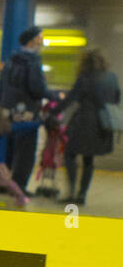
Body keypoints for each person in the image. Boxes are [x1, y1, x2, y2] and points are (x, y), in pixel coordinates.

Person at [48, 49, 120, 205]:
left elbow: (71, 98)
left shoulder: (85, 77)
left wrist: (53, 112)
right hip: (103, 124)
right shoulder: (112, 77)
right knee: (89, 159)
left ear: (85, 62)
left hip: (84, 122)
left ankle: (71, 192)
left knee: (70, 154)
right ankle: (81, 195)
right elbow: (116, 98)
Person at [0, 27, 48, 194]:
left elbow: (1, 86)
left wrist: (3, 106)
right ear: (32, 40)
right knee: (25, 151)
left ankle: (2, 184)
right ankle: (18, 187)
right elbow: (37, 88)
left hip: (8, 110)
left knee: (7, 148)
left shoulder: (11, 59)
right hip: (27, 112)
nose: (42, 41)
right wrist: (53, 95)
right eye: (40, 37)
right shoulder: (32, 60)